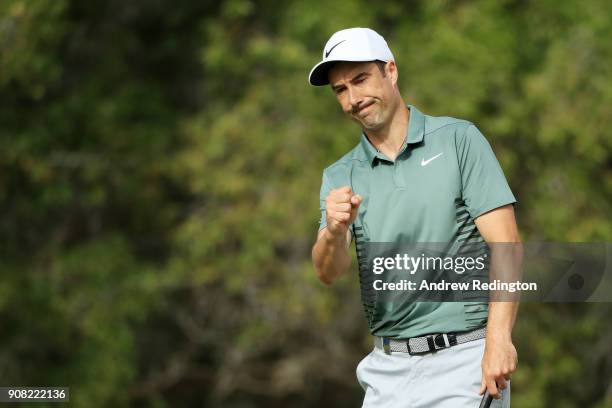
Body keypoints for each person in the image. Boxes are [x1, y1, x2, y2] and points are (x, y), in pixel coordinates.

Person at [309, 27, 521, 407]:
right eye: (341, 90)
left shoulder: (458, 140)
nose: (354, 98)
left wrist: (499, 339)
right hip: (386, 372)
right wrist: (332, 233)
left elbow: (507, 245)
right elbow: (328, 271)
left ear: (390, 71)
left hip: (465, 363)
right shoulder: (340, 175)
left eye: (360, 79)